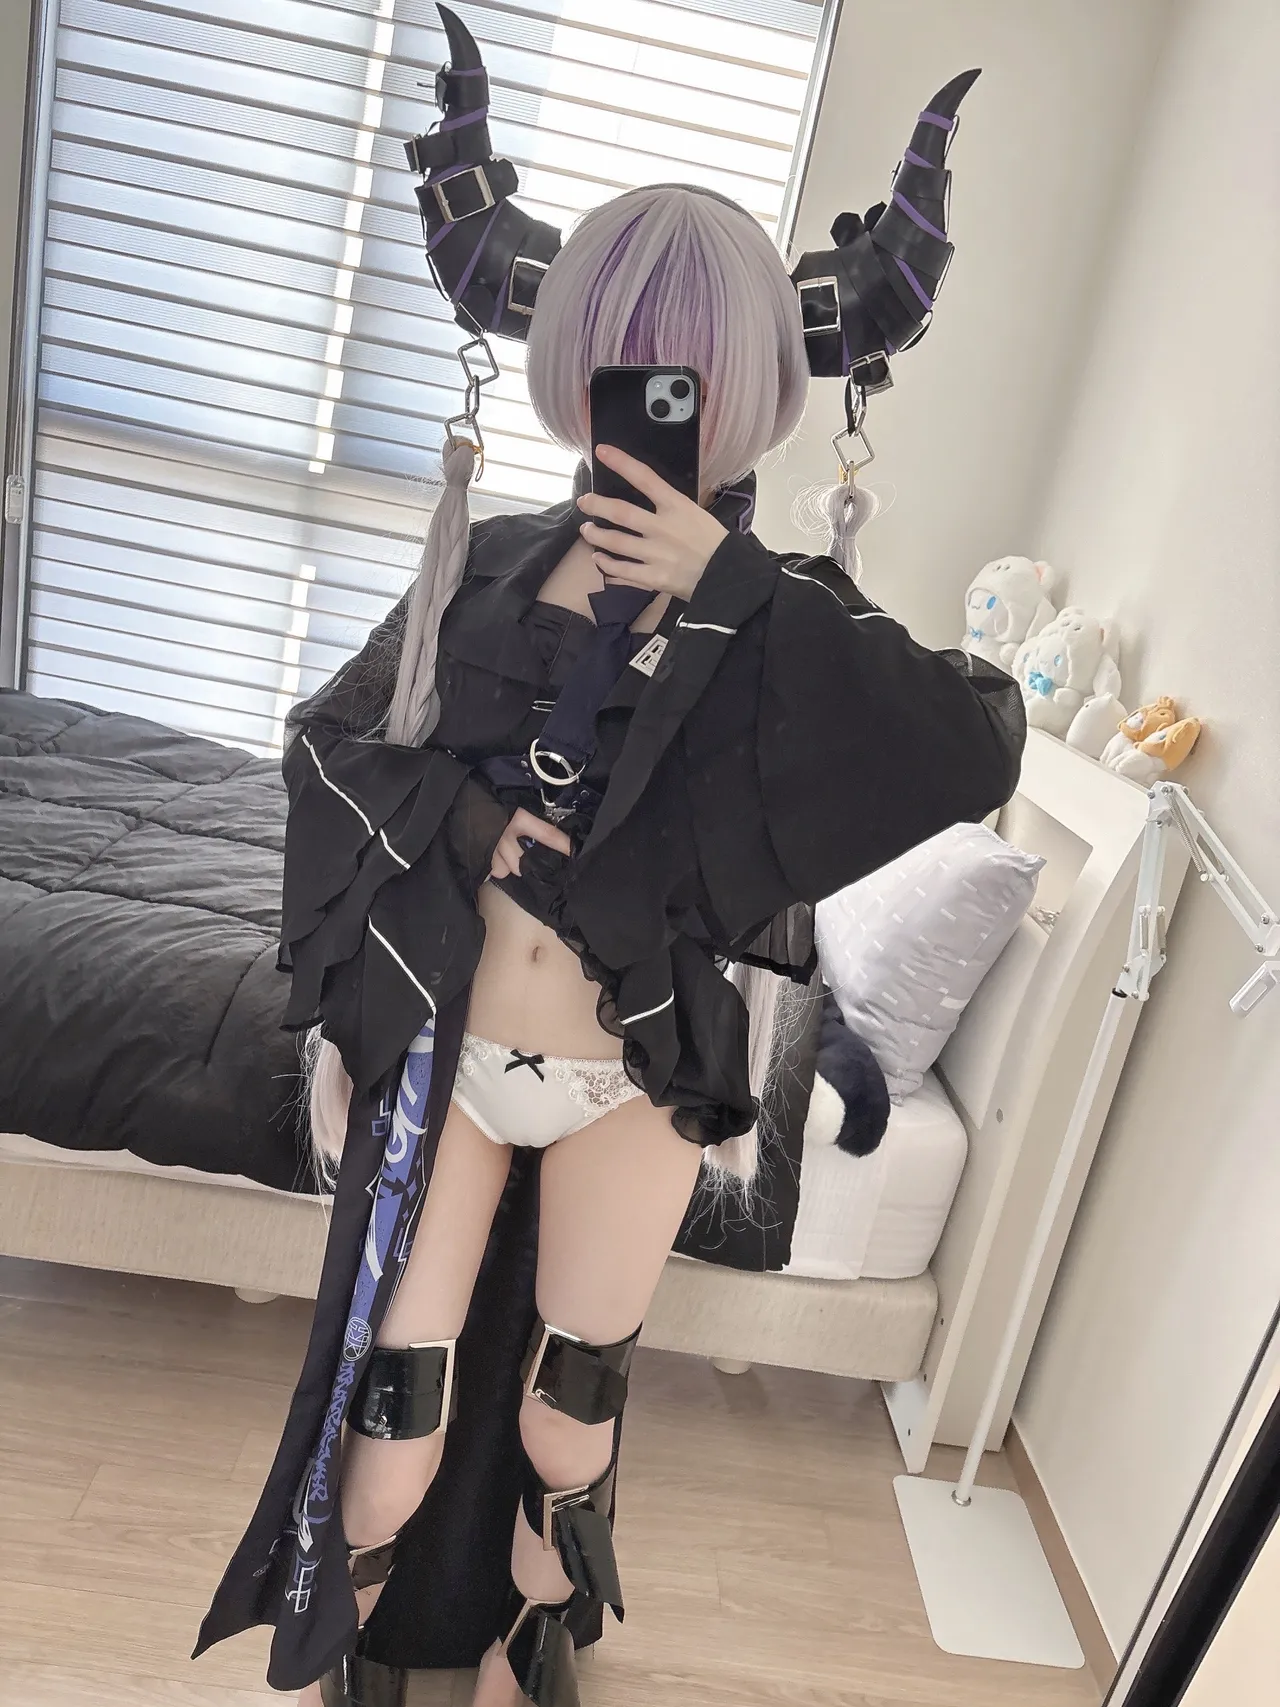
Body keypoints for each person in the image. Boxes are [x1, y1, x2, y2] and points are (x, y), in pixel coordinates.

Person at [195, 11, 1021, 1706]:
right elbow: (329, 743)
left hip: (631, 1075)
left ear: (754, 394)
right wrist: (471, 822)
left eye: (692, 375)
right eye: (632, 365)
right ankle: (359, 1647)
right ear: (576, 367)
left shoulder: (783, 615)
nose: (657, 402)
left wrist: (733, 581)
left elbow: (972, 741)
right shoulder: (491, 562)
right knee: (397, 1392)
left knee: (572, 1411)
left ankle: (534, 1643)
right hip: (453, 1053)